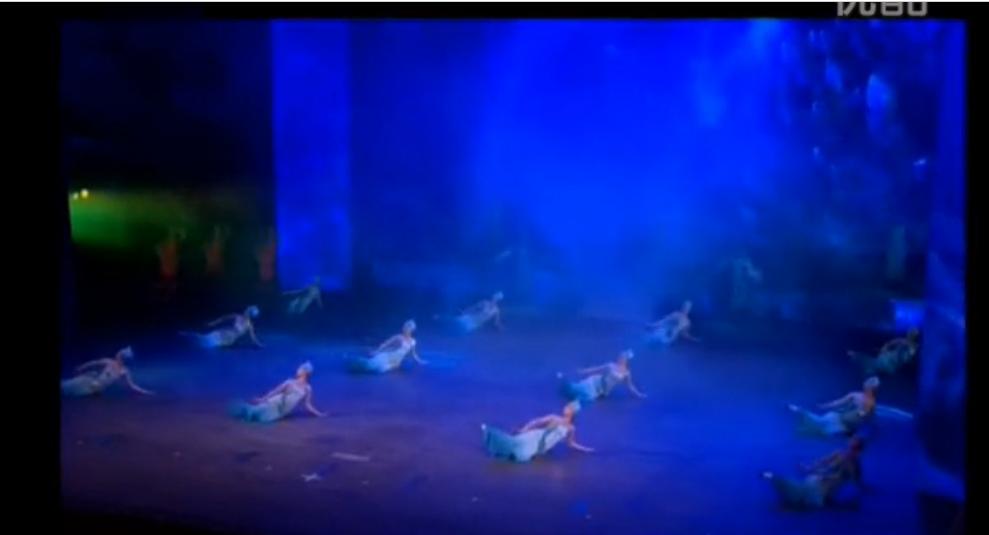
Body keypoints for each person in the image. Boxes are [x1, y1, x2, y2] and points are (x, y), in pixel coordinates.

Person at [762, 435, 866, 508]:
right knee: (797, 489)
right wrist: (810, 469)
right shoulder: (839, 454)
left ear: (856, 450)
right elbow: (823, 462)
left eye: (853, 447)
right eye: (850, 445)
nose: (849, 448)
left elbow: (848, 479)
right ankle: (774, 478)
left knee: (797, 492)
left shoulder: (852, 464)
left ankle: (773, 477)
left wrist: (820, 473)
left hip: (823, 491)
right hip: (818, 482)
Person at [481, 401, 593, 463]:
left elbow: (570, 443)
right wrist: (525, 429)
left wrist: (585, 449)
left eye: (568, 408)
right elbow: (537, 422)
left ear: (572, 413)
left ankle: (500, 451)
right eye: (566, 407)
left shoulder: (571, 428)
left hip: (544, 447)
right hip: (536, 437)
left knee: (522, 454)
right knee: (516, 444)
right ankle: (491, 434)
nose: (565, 408)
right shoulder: (554, 417)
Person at [232, 361, 324, 423]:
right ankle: (247, 412)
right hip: (275, 403)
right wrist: (262, 399)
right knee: (258, 411)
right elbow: (275, 391)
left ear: (304, 373)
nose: (297, 370)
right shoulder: (289, 382)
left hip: (282, 411)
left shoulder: (308, 388)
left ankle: (248, 413)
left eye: (299, 369)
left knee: (263, 418)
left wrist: (318, 414)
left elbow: (308, 404)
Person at [788, 377, 880, 437]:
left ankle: (800, 413)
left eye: (870, 389)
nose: (867, 390)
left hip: (844, 425)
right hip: (838, 417)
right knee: (819, 422)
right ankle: (798, 409)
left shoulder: (871, 404)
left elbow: (865, 418)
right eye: (868, 389)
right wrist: (825, 406)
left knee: (823, 431)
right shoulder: (856, 396)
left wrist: (862, 416)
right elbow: (838, 402)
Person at [61, 346, 155, 397]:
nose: (117, 354)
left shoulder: (124, 371)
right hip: (90, 383)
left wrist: (145, 392)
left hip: (95, 388)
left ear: (121, 357)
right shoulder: (109, 362)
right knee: (68, 388)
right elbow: (93, 363)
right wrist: (81, 368)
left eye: (119, 354)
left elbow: (131, 386)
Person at [559, 349, 647, 403]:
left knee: (588, 398)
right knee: (581, 391)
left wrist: (639, 395)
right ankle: (565, 385)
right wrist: (583, 371)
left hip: (603, 391)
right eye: (620, 357)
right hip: (596, 382)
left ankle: (570, 393)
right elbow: (596, 369)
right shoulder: (611, 365)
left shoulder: (626, 373)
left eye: (622, 358)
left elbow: (630, 386)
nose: (620, 359)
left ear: (626, 361)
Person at [348, 320, 426, 373]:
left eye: (407, 328)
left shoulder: (413, 341)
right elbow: (385, 344)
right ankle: (354, 364)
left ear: (412, 330)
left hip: (395, 362)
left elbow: (413, 353)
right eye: (404, 327)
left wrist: (420, 361)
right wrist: (377, 351)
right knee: (372, 366)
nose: (405, 329)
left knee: (379, 370)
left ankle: (357, 366)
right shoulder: (398, 337)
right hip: (387, 357)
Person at [181, 305, 264, 348]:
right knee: (202, 340)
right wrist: (213, 323)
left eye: (248, 310)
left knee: (203, 343)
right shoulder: (237, 316)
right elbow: (223, 318)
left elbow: (254, 339)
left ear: (249, 314)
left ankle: (186, 337)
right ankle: (185, 336)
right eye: (247, 309)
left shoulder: (249, 325)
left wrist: (259, 345)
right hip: (221, 334)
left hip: (226, 339)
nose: (245, 311)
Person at [849, 329, 919, 376]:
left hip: (890, 364)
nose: (909, 336)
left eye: (911, 335)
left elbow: (908, 358)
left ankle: (855, 356)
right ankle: (856, 356)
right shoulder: (904, 342)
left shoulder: (912, 347)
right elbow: (893, 342)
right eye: (909, 334)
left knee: (871, 363)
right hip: (887, 360)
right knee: (872, 363)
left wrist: (909, 351)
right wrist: (885, 348)